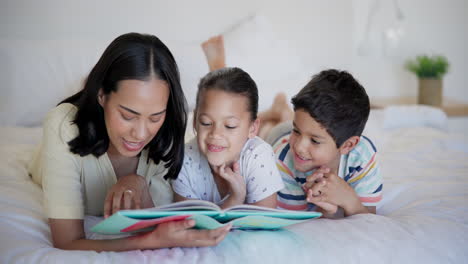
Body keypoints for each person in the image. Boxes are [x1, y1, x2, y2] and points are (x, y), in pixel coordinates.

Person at [28, 32, 230, 251]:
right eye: (128, 115)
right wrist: (150, 241)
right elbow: (67, 241)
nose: (141, 134)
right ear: (102, 95)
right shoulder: (63, 126)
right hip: (46, 157)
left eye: (155, 116)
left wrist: (138, 183)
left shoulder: (167, 133)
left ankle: (219, 74)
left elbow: (158, 217)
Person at [201, 35, 382, 218]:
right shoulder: (282, 158)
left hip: (293, 127)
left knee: (285, 124)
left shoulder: (363, 155)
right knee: (248, 133)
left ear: (348, 145)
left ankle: (280, 111)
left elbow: (368, 217)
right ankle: (220, 75)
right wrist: (327, 208)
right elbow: (294, 221)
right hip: (278, 137)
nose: (299, 146)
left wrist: (349, 198)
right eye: (297, 131)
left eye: (315, 140)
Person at [172, 67, 284, 209]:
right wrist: (235, 199)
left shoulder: (258, 156)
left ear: (253, 128)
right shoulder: (184, 160)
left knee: (275, 131)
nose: (215, 134)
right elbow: (188, 223)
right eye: (206, 123)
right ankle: (275, 113)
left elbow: (264, 221)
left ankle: (279, 113)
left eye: (230, 126)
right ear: (195, 122)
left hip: (272, 138)